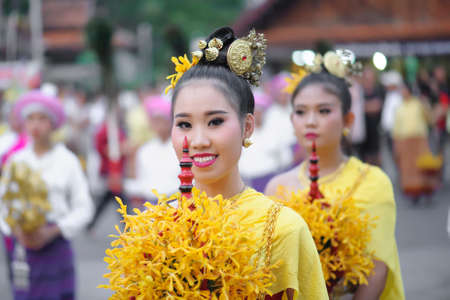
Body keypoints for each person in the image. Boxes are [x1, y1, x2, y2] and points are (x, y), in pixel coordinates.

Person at [168, 27, 327, 299]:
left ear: (247, 126)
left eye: (215, 121)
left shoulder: (283, 228)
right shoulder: (156, 227)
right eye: (184, 124)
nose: (198, 140)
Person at [265, 58, 405, 299]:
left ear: (348, 120)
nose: (310, 120)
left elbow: (376, 269)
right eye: (300, 111)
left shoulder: (372, 181)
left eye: (324, 110)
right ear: (292, 120)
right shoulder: (278, 187)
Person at [0, 90, 94, 300]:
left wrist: (53, 231)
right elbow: (4, 203)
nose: (35, 125)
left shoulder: (67, 160)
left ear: (52, 123)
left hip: (55, 244)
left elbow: (84, 207)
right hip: (23, 246)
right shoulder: (16, 160)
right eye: (30, 119)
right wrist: (17, 231)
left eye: (42, 118)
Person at [124, 95, 179, 205]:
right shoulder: (145, 150)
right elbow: (136, 182)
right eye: (154, 120)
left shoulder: (179, 147)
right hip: (151, 206)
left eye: (161, 119)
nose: (158, 124)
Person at [239, 90, 293, 192]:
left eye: (260, 111)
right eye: (255, 112)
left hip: (271, 178)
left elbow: (286, 157)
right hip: (248, 181)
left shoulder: (274, 131)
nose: (257, 115)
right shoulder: (242, 133)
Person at [392, 84, 437, 203]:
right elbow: (396, 128)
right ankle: (414, 194)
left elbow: (430, 119)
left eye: (404, 90)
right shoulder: (399, 108)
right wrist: (396, 144)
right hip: (405, 141)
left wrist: (425, 104)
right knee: (409, 169)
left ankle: (427, 193)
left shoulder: (418, 104)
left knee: (423, 166)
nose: (403, 92)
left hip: (419, 139)